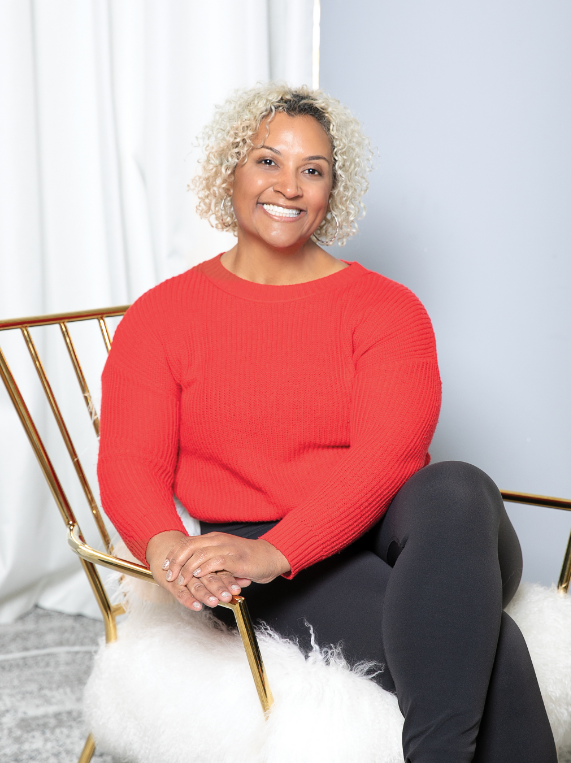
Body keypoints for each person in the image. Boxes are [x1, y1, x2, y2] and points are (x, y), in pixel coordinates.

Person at [97, 83, 557, 763]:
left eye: (312, 170)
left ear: (331, 191)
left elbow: (389, 455)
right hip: (252, 555)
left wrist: (278, 549)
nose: (289, 185)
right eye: (266, 160)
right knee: (494, 643)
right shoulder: (164, 315)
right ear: (229, 170)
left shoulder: (384, 307)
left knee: (455, 485)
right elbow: (129, 460)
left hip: (411, 533)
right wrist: (167, 545)